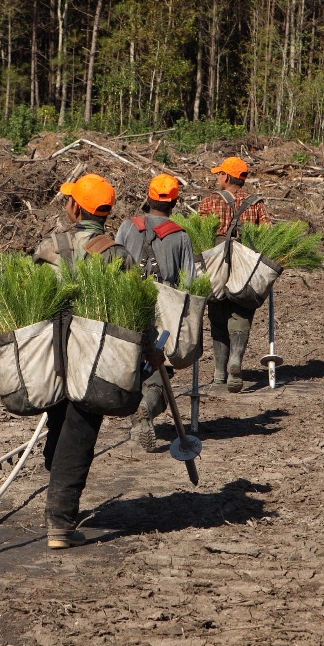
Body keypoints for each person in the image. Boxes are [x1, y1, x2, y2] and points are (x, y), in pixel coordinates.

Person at [34, 173, 156, 549]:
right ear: (105, 212)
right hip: (95, 356)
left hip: (52, 354)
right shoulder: (115, 253)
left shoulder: (49, 247)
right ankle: (59, 521)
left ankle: (58, 500)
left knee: (59, 423)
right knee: (79, 431)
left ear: (75, 208)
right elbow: (135, 307)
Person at [115, 174, 195, 452]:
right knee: (159, 369)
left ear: (147, 198)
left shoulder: (127, 227)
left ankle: (136, 409)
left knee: (131, 363)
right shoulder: (181, 236)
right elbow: (188, 285)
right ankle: (147, 408)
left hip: (127, 306)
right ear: (174, 202)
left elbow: (114, 266)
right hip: (164, 313)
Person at [197, 156, 270, 393]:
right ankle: (236, 361)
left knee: (217, 314)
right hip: (244, 267)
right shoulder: (255, 204)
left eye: (219, 174)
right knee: (242, 311)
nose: (217, 178)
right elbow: (267, 235)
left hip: (216, 265)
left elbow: (199, 236)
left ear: (226, 177)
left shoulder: (209, 203)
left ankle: (219, 373)